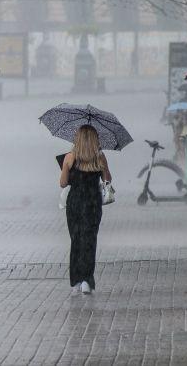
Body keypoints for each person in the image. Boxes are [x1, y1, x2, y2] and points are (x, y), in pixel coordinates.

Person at [59, 125, 112, 295]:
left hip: (75, 203)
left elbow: (63, 183)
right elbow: (107, 180)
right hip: (93, 204)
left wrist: (66, 167)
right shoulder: (100, 158)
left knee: (76, 240)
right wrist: (102, 165)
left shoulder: (69, 157)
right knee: (90, 241)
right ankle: (87, 281)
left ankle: (76, 280)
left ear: (78, 139)